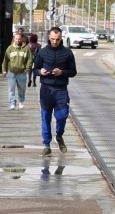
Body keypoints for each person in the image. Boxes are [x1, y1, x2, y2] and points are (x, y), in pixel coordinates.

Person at [32, 25, 78, 153]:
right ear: (49, 37)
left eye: (57, 39)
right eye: (52, 39)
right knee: (45, 116)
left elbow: (73, 72)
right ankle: (47, 145)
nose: (55, 41)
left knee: (62, 115)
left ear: (61, 38)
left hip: (61, 90)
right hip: (46, 89)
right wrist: (40, 72)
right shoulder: (42, 52)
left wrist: (62, 72)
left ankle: (59, 136)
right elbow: (34, 69)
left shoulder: (67, 53)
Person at [4, 31, 34, 109]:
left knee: (22, 89)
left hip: (22, 73)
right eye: (16, 39)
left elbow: (30, 59)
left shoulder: (26, 49)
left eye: (19, 39)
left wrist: (27, 69)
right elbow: (5, 60)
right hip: (11, 72)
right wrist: (4, 70)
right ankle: (12, 103)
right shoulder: (9, 49)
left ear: (22, 39)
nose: (18, 40)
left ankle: (21, 101)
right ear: (14, 39)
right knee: (11, 88)